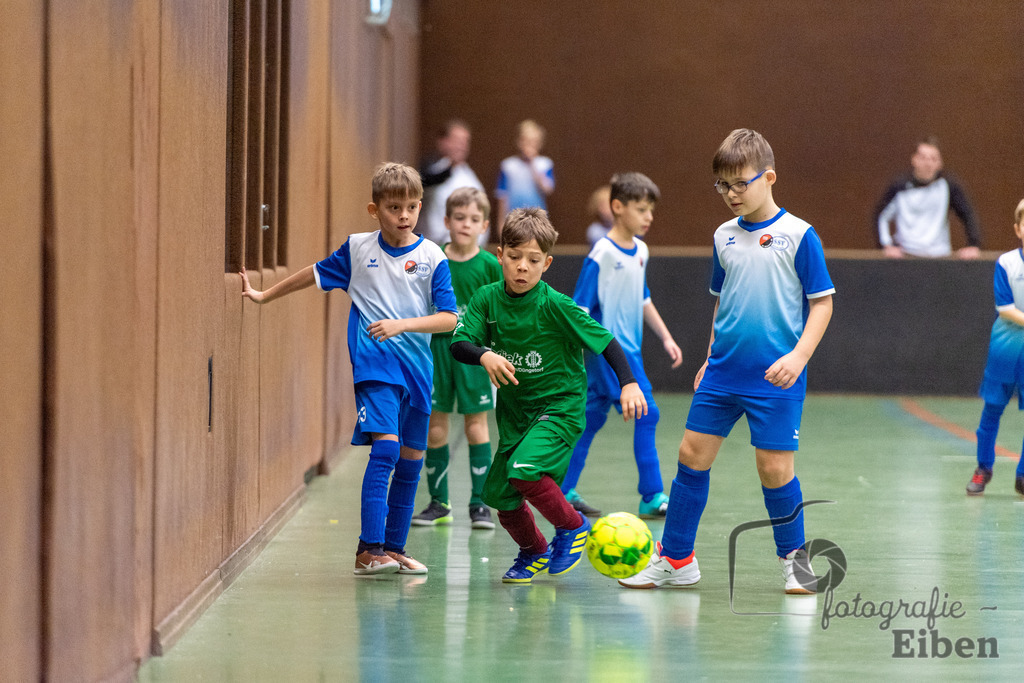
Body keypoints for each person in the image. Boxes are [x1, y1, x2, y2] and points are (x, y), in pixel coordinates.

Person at [620, 129, 834, 594]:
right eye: (722, 185)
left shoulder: (800, 236)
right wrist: (710, 355)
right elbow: (722, 301)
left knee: (775, 469)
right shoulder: (723, 237)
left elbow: (822, 304)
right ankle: (676, 559)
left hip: (776, 377)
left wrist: (798, 358)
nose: (731, 194)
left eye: (740, 183)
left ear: (769, 178)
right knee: (690, 457)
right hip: (722, 372)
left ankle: (795, 563)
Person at [240, 162, 458, 576]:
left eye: (412, 207)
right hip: (375, 365)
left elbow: (449, 318)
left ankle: (393, 548)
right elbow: (314, 274)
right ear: (375, 210)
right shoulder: (358, 249)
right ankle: (367, 550)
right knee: (387, 449)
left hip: (418, 369)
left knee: (412, 458)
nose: (405, 216)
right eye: (395, 208)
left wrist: (403, 325)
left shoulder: (432, 256)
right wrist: (266, 294)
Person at [450, 207, 647, 583]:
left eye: (533, 260)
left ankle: (573, 526)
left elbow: (606, 341)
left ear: (547, 264)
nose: (522, 267)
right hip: (516, 417)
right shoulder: (487, 299)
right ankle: (534, 551)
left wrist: (629, 382)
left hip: (560, 410)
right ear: (500, 255)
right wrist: (485, 354)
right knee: (502, 500)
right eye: (514, 257)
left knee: (525, 470)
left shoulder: (556, 305)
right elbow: (460, 344)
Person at [561, 172, 682, 520]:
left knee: (590, 418)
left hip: (630, 350)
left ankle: (562, 488)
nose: (649, 217)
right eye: (642, 209)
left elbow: (643, 298)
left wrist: (666, 336)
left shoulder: (641, 250)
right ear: (617, 207)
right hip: (608, 353)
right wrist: (584, 351)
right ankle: (652, 495)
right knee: (649, 413)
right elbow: (579, 308)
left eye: (651, 210)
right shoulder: (601, 253)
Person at [412, 187, 502, 529]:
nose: (466, 224)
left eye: (474, 219)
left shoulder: (490, 266)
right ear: (447, 221)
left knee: (477, 425)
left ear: (484, 226)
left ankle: (480, 504)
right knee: (435, 425)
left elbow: (500, 312)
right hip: (437, 351)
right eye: (459, 218)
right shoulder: (434, 259)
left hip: (475, 356)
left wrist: (496, 352)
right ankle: (439, 502)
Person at [966, 198, 1024, 498]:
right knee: (992, 411)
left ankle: (1023, 474)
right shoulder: (1006, 264)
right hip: (1005, 351)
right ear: (1017, 228)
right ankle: (983, 467)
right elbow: (1005, 308)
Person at [875, 136, 982, 259]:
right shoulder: (899, 186)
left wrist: (974, 244)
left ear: (940, 163)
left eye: (933, 159)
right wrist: (886, 245)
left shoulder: (948, 185)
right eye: (923, 158)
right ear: (914, 159)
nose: (928, 163)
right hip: (906, 255)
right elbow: (881, 215)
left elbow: (968, 214)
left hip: (939, 256)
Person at [419, 120, 487, 246]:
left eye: (465, 141)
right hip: (424, 245)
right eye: (456, 140)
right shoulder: (428, 171)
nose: (461, 146)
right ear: (442, 142)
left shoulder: (471, 182)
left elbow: (482, 219)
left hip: (456, 250)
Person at [495, 120, 554, 233]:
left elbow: (547, 189)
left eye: (534, 142)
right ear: (518, 142)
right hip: (513, 220)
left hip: (537, 221)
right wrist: (500, 225)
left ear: (540, 144)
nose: (529, 145)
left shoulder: (545, 164)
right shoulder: (508, 166)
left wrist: (533, 164)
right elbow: (502, 197)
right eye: (526, 141)